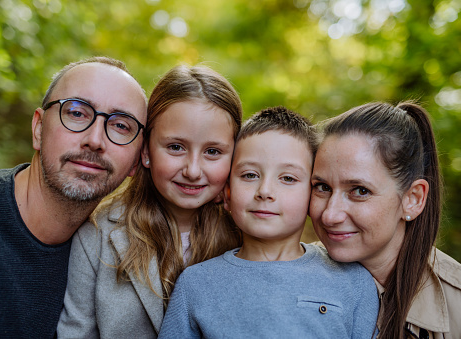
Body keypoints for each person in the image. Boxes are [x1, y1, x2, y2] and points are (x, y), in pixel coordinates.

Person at [158, 106, 379, 338]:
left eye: (287, 178)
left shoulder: (353, 281)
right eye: (250, 175)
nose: (265, 191)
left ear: (312, 195)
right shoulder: (195, 284)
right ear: (227, 193)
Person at [0, 57, 147, 338]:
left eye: (121, 126)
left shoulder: (119, 252)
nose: (95, 140)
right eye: (76, 113)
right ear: (38, 128)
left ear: (137, 160)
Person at [57, 65, 242, 338]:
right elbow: (76, 332)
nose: (192, 170)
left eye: (212, 151)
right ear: (145, 151)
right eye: (175, 147)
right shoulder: (96, 236)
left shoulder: (245, 233)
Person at [309, 101, 461, 338]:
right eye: (322, 187)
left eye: (360, 190)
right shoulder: (288, 275)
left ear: (413, 199)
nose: (330, 215)